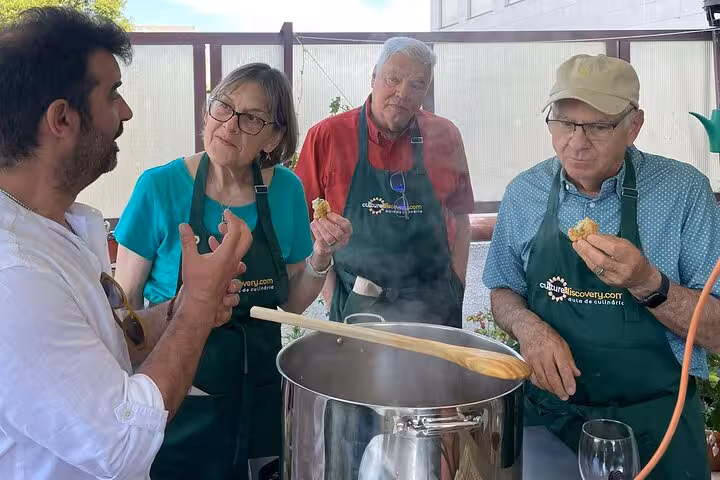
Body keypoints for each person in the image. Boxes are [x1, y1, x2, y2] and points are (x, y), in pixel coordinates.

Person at [0, 7, 253, 480]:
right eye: (113, 94)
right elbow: (122, 443)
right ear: (61, 118)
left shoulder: (60, 225)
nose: (127, 112)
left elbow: (104, 344)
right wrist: (198, 303)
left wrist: (177, 311)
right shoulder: (15, 275)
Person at [483, 53, 720, 478]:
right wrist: (528, 326)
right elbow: (503, 288)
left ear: (634, 126)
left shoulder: (684, 193)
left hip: (657, 426)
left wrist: (649, 283)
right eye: (565, 122)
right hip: (550, 422)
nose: (576, 141)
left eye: (598, 126)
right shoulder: (525, 192)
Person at [113, 62, 352, 479]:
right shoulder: (159, 187)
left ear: (275, 136)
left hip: (263, 401)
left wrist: (319, 257)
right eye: (222, 106)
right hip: (180, 403)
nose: (229, 125)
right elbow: (125, 310)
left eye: (252, 119)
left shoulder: (286, 190)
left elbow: (290, 300)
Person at [295, 36, 474, 327]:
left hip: (434, 306)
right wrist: (331, 297)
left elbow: (461, 218)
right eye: (394, 78)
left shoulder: (446, 136)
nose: (402, 93)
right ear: (373, 77)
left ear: (426, 92)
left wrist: (457, 285)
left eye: (417, 85)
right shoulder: (327, 137)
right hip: (357, 304)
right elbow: (306, 225)